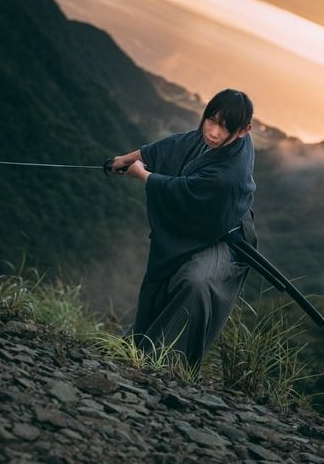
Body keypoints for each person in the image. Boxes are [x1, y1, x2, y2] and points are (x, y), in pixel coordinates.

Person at [110, 88, 257, 365]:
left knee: (195, 281)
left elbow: (183, 190)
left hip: (228, 238)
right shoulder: (219, 139)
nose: (213, 132)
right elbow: (177, 145)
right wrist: (128, 158)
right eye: (211, 120)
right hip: (203, 223)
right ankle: (138, 346)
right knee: (173, 275)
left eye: (224, 127)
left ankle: (168, 363)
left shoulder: (227, 174)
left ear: (243, 130)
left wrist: (142, 173)